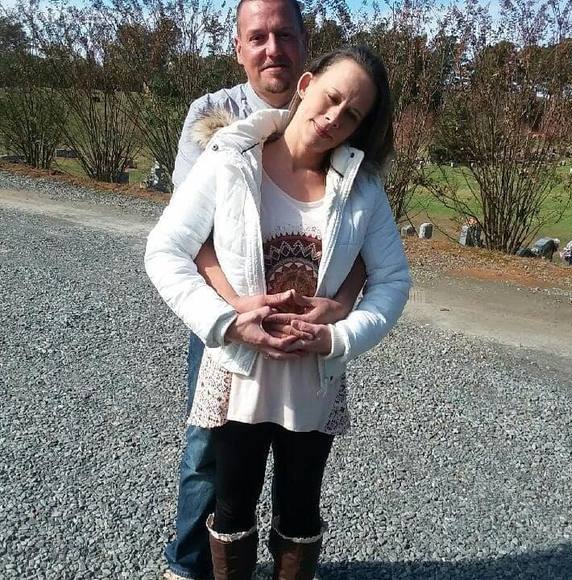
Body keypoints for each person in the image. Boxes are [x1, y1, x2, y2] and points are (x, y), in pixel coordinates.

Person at [146, 46, 411, 579]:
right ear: (306, 85)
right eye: (331, 98)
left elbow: (393, 279)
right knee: (231, 507)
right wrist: (226, 321)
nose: (334, 118)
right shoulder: (231, 158)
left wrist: (339, 337)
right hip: (239, 373)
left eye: (352, 114)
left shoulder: (361, 188)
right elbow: (165, 250)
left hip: (312, 380)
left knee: (301, 510)